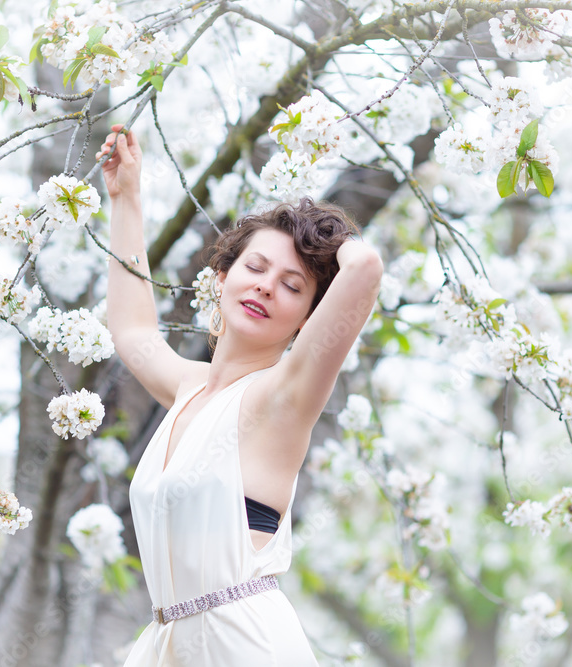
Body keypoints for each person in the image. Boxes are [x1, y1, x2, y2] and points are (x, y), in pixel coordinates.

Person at [98, 124, 383, 666]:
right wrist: (127, 197)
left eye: (293, 286)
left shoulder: (283, 397)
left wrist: (316, 236)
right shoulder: (188, 388)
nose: (266, 286)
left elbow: (365, 268)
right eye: (255, 267)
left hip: (245, 644)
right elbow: (133, 331)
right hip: (169, 643)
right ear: (223, 275)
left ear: (307, 318)